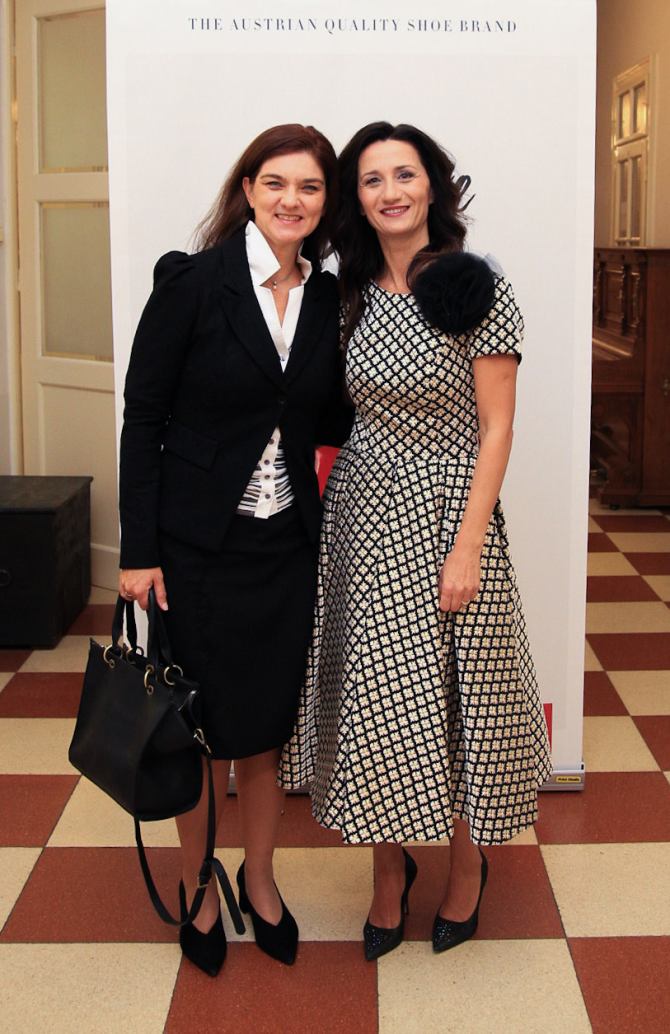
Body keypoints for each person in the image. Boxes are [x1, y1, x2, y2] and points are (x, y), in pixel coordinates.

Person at [280, 122, 552, 960]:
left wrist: (467, 546)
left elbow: (498, 429)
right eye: (370, 179)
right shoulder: (347, 288)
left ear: (433, 186)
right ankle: (387, 874)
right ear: (355, 197)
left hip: (448, 512)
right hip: (362, 515)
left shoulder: (475, 287)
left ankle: (466, 865)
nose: (389, 191)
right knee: (375, 702)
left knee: (459, 696)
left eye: (405, 174)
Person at [118, 124, 350, 976]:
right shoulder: (192, 283)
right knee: (192, 729)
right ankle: (197, 884)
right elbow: (144, 421)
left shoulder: (327, 299)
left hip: (284, 549)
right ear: (248, 189)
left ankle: (260, 878)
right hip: (193, 550)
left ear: (326, 203)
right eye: (276, 182)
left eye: (311, 187)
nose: (293, 199)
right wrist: (138, 550)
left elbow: (323, 416)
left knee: (262, 731)